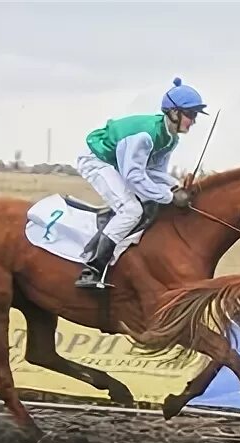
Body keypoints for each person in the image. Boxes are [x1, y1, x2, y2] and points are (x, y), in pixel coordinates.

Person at [73, 77, 207, 288]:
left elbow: (154, 172)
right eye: (190, 114)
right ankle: (92, 270)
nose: (193, 120)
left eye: (195, 115)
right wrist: (171, 196)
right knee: (131, 209)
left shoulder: (171, 137)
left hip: (117, 162)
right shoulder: (146, 136)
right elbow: (134, 176)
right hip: (96, 159)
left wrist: (175, 185)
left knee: (150, 201)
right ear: (174, 112)